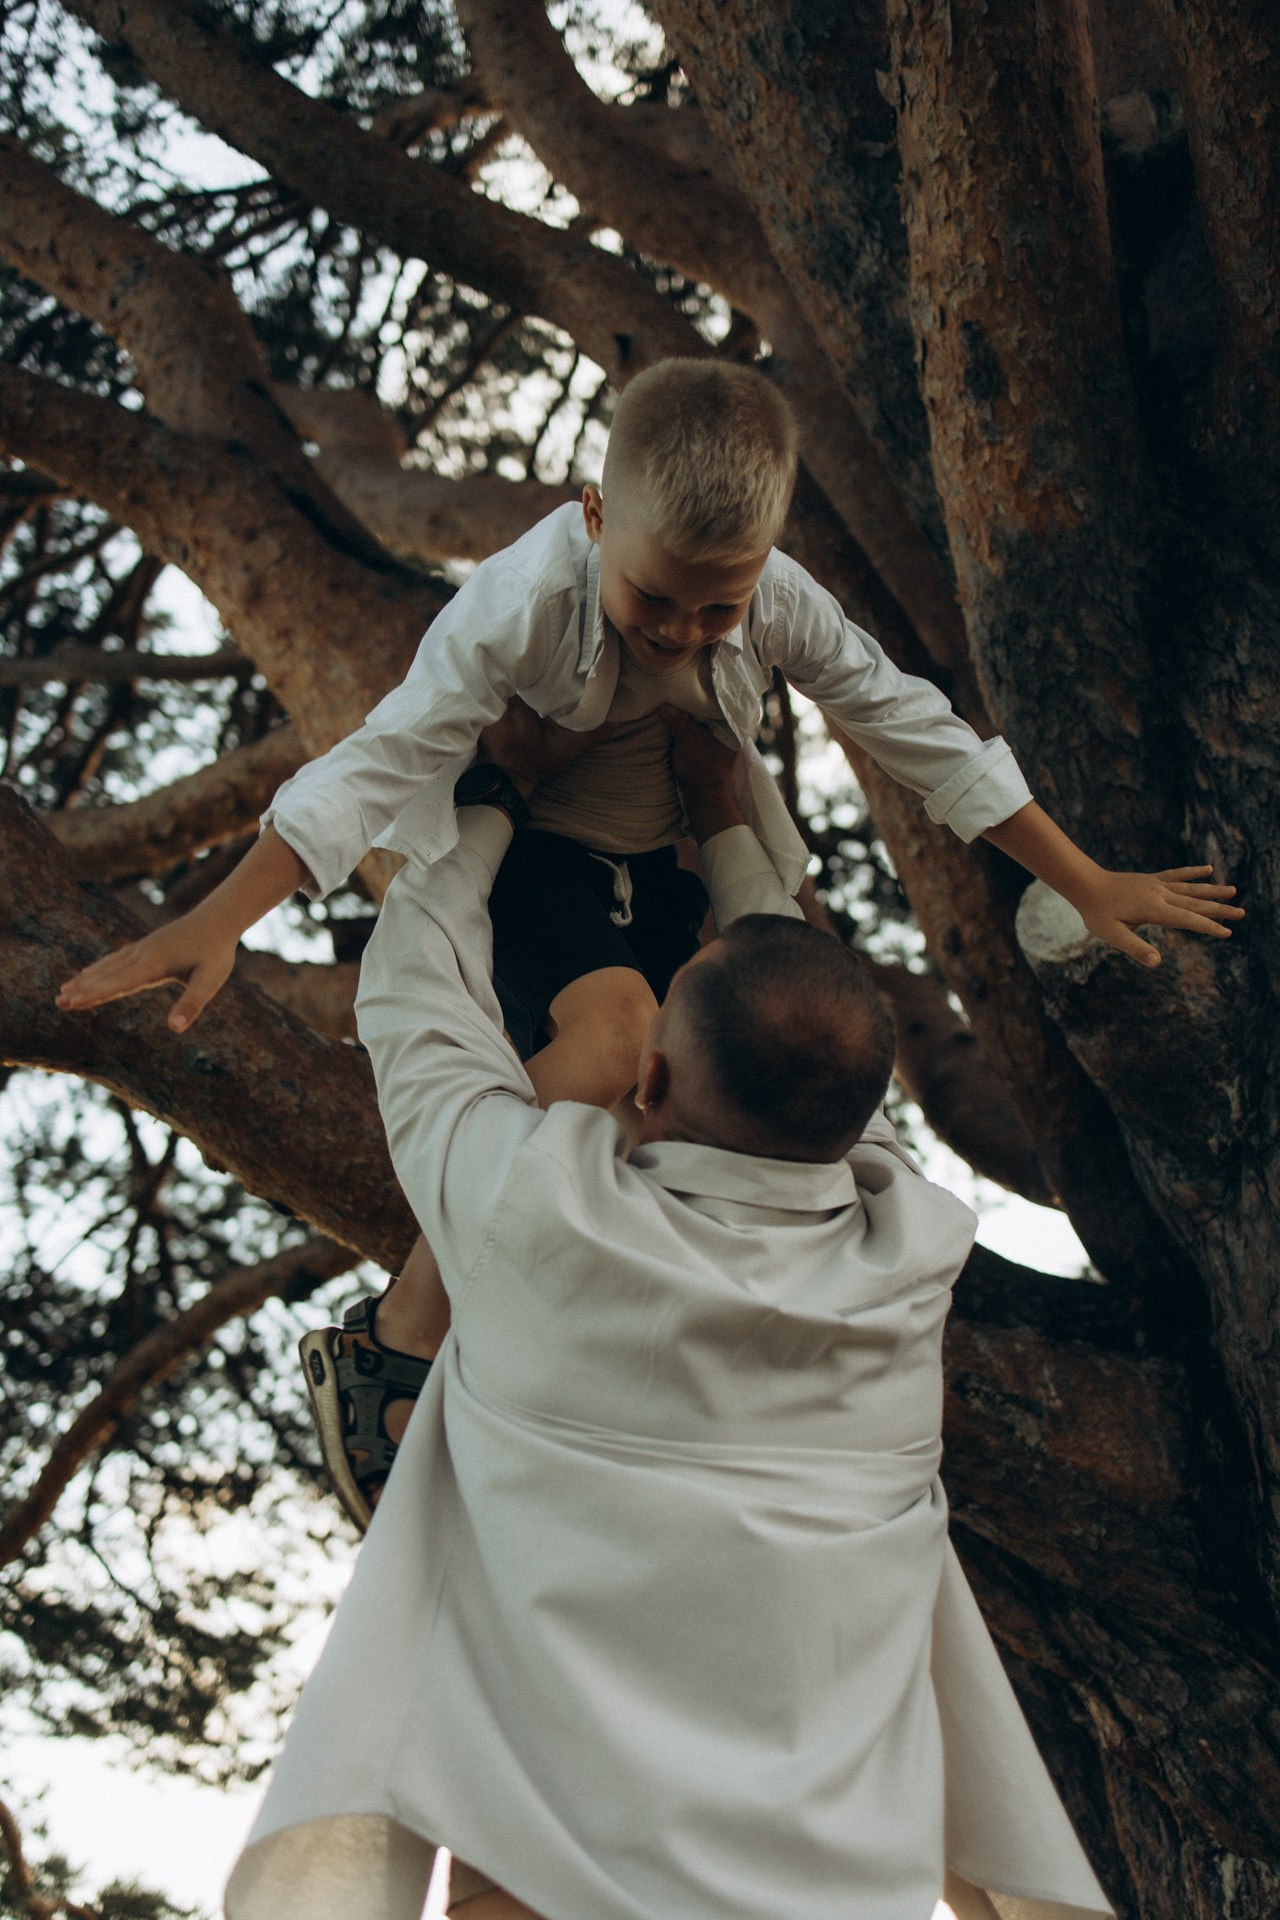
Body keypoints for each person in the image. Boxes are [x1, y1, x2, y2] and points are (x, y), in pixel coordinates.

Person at [56, 359, 1241, 1519]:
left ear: (766, 561)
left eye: (716, 606)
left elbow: (905, 722)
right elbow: (384, 754)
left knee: (723, 1094)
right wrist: (219, 916)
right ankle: (399, 1331)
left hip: (673, 866)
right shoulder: (521, 600)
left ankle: (629, 1365)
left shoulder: (777, 598)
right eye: (652, 599)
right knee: (620, 1039)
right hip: (540, 850)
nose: (680, 631)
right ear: (592, 514)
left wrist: (1080, 880)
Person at [223, 709, 1113, 1920]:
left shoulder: (533, 1204)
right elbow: (830, 1045)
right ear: (855, 1126)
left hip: (538, 1875)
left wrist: (495, 795)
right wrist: (724, 818)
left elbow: (416, 986)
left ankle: (400, 1348)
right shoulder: (911, 1251)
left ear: (645, 1082)